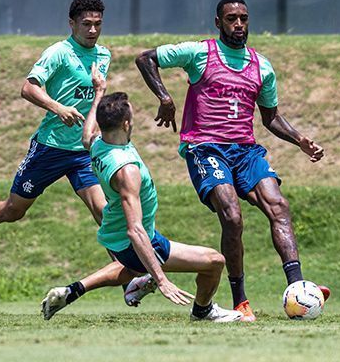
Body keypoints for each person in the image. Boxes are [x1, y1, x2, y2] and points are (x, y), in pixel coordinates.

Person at [0, 0, 155, 306]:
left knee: (104, 212)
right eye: (86, 24)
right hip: (50, 147)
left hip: (84, 151)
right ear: (71, 23)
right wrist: (58, 107)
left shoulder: (103, 55)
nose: (93, 30)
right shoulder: (59, 53)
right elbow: (28, 87)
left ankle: (131, 280)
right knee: (14, 210)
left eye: (97, 24)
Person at [135, 0, 330, 322]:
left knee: (278, 206)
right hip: (206, 148)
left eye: (243, 19)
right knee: (233, 216)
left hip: (245, 151)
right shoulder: (200, 53)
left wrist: (299, 140)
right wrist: (165, 97)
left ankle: (299, 290)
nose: (238, 25)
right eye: (231, 19)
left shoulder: (261, 66)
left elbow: (270, 117)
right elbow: (145, 59)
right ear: (218, 22)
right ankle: (240, 300)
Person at [40, 65, 242, 322]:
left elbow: (86, 134)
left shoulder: (98, 144)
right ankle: (202, 311)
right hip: (135, 239)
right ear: (126, 124)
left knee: (128, 270)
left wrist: (99, 92)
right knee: (215, 261)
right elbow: (135, 231)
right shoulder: (126, 170)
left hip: (115, 236)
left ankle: (71, 291)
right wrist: (162, 279)